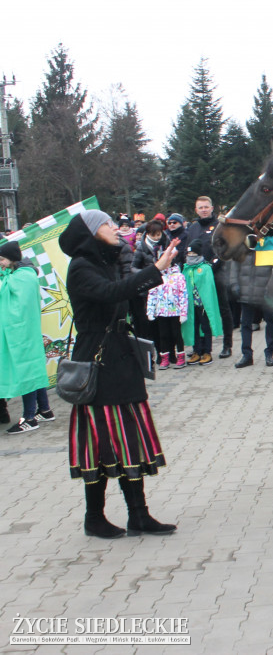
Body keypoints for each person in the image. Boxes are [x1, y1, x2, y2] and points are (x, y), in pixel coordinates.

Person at [57, 209, 178, 538]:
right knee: (101, 445)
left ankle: (139, 515)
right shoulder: (82, 267)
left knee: (130, 441)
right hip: (99, 363)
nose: (114, 228)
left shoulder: (109, 261)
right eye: (107, 224)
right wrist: (154, 269)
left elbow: (126, 296)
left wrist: (148, 276)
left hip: (121, 359)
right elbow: (111, 294)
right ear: (91, 232)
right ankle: (94, 517)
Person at [0, 241, 53, 434]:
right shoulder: (25, 274)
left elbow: (4, 290)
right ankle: (45, 410)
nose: (1, 263)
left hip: (21, 333)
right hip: (26, 332)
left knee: (25, 372)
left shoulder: (21, 277)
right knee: (34, 369)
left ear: (12, 258)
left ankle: (29, 418)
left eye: (2, 259)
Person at [184, 196, 234, 358]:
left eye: (206, 207)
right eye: (201, 207)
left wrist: (211, 267)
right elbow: (187, 250)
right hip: (196, 276)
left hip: (215, 272)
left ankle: (227, 344)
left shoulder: (220, 226)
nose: (204, 210)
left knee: (223, 308)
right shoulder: (192, 228)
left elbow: (224, 249)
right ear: (196, 210)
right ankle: (199, 346)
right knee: (197, 311)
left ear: (212, 208)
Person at [229, 251, 273, 368]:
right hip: (247, 293)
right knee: (245, 324)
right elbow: (234, 267)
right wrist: (234, 284)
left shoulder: (268, 245)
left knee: (270, 322)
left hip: (265, 294)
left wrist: (271, 287)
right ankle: (247, 355)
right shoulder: (242, 248)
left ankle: (269, 354)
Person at [182, 240, 222, 365]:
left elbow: (208, 287)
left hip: (203, 306)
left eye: (194, 253)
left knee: (205, 328)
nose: (191, 256)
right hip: (191, 306)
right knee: (193, 328)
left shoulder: (205, 268)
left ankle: (207, 352)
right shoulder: (186, 268)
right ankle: (196, 351)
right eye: (189, 253)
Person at [146, 258, 188, 370]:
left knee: (176, 335)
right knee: (163, 335)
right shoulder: (157, 276)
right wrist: (150, 310)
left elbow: (183, 294)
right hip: (161, 311)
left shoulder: (178, 276)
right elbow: (152, 294)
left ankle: (180, 356)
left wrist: (183, 312)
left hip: (175, 312)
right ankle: (165, 357)